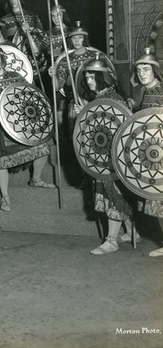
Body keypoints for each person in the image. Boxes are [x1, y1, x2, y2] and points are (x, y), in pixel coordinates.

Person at [0, 44, 55, 212]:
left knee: (43, 147)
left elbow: (30, 96)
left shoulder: (16, 77)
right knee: (1, 162)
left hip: (20, 123)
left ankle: (35, 179)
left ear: (3, 61)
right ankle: (5, 197)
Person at [74, 54, 134, 255]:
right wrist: (83, 113)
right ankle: (133, 231)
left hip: (113, 158)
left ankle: (111, 241)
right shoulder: (99, 98)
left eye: (92, 78)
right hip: (101, 157)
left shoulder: (113, 98)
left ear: (102, 78)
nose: (88, 82)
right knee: (114, 195)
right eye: (87, 78)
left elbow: (121, 129)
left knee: (112, 196)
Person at [131, 48, 163, 257]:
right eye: (139, 69)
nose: (142, 73)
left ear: (155, 71)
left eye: (146, 69)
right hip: (152, 155)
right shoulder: (144, 92)